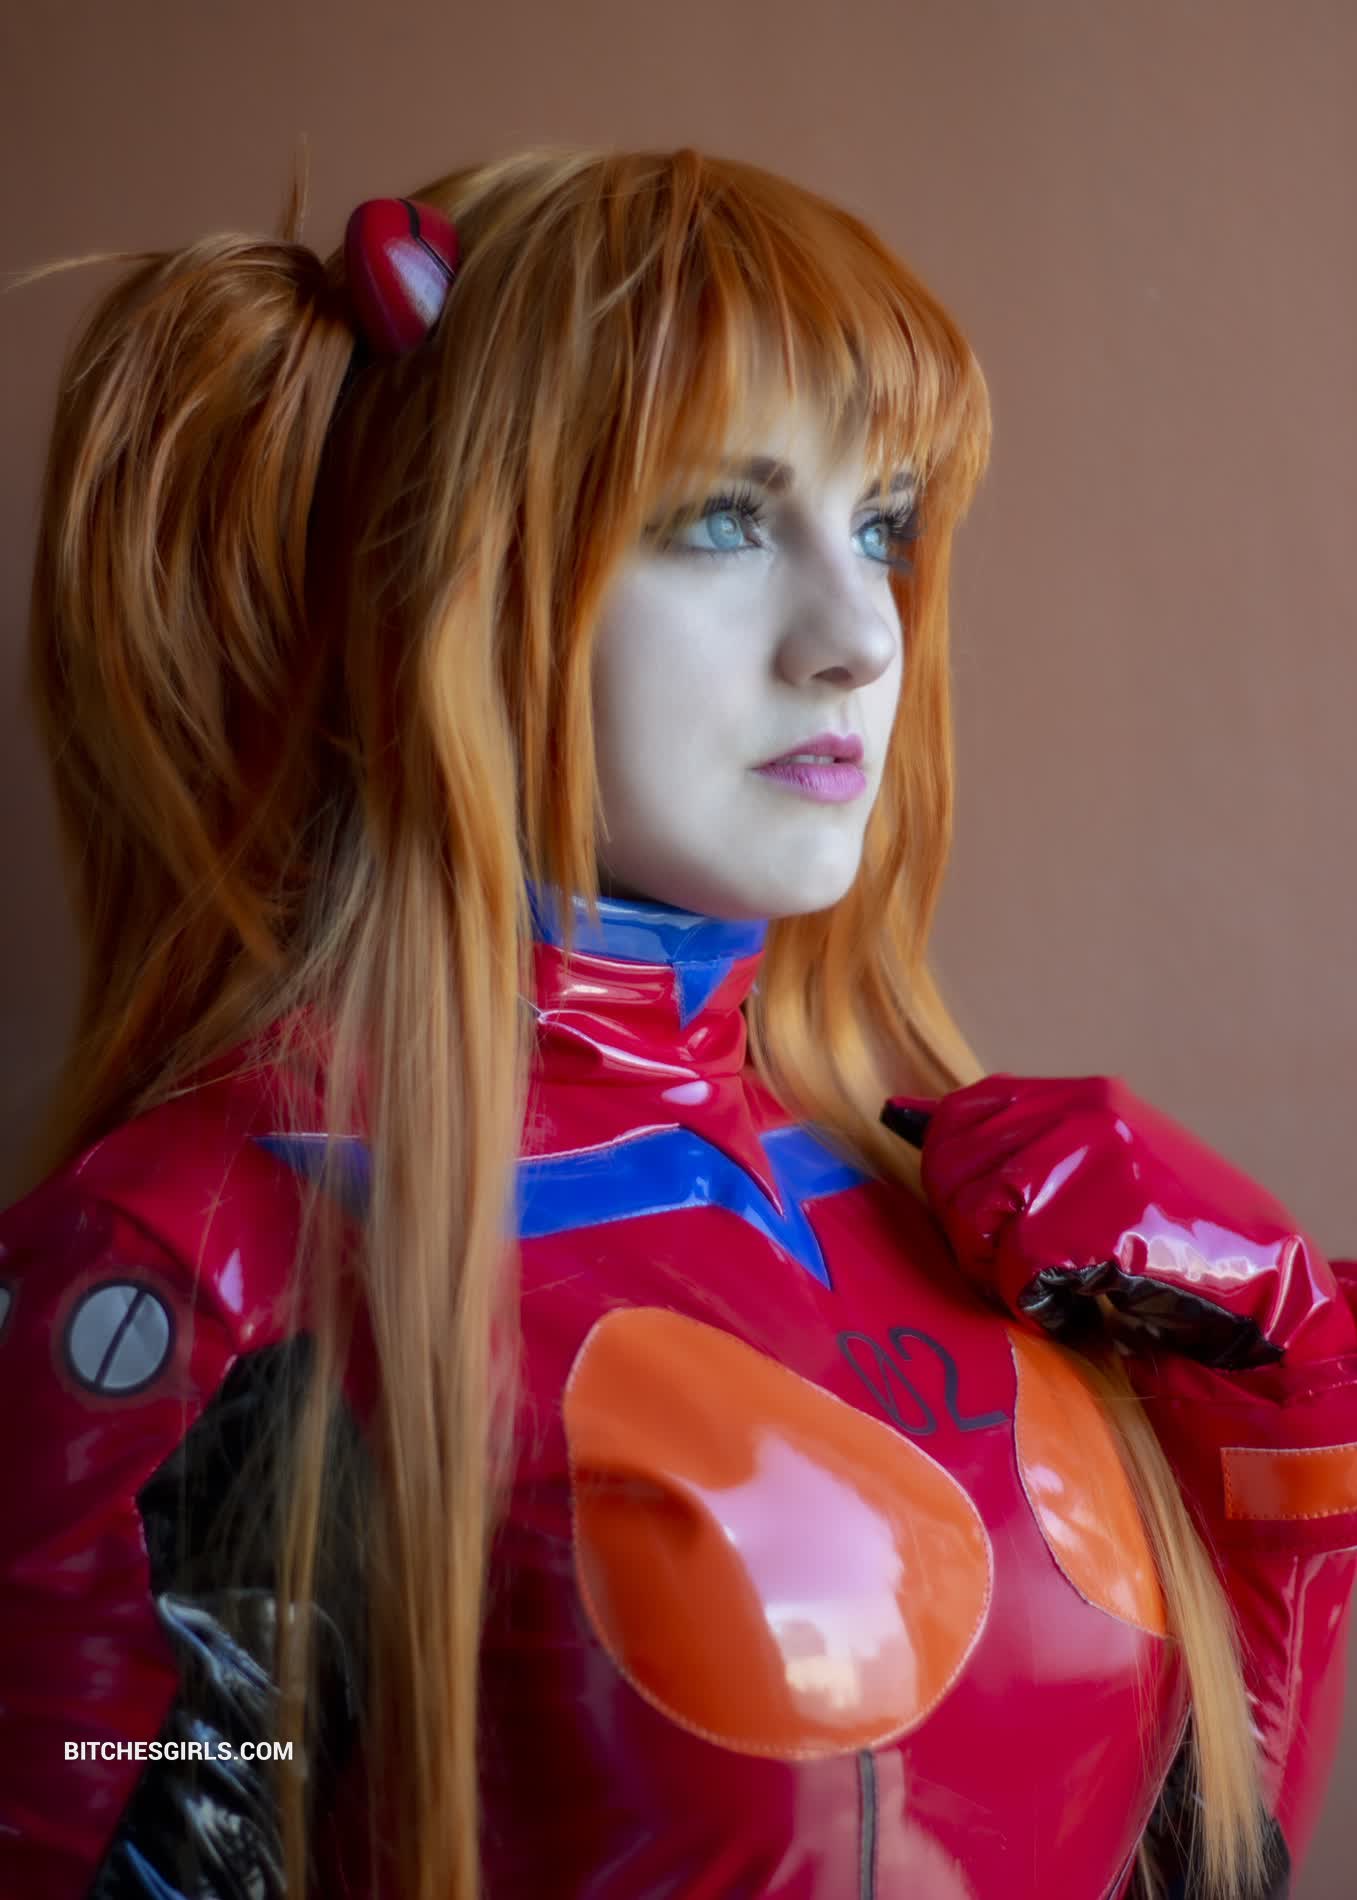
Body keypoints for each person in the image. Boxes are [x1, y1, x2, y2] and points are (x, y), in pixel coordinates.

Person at [1, 146, 1353, 1900]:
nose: (857, 634)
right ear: (452, 568)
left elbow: (1209, 1858)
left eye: (882, 524)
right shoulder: (207, 1265)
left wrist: (1286, 1408)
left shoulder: (966, 1216)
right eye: (721, 515)